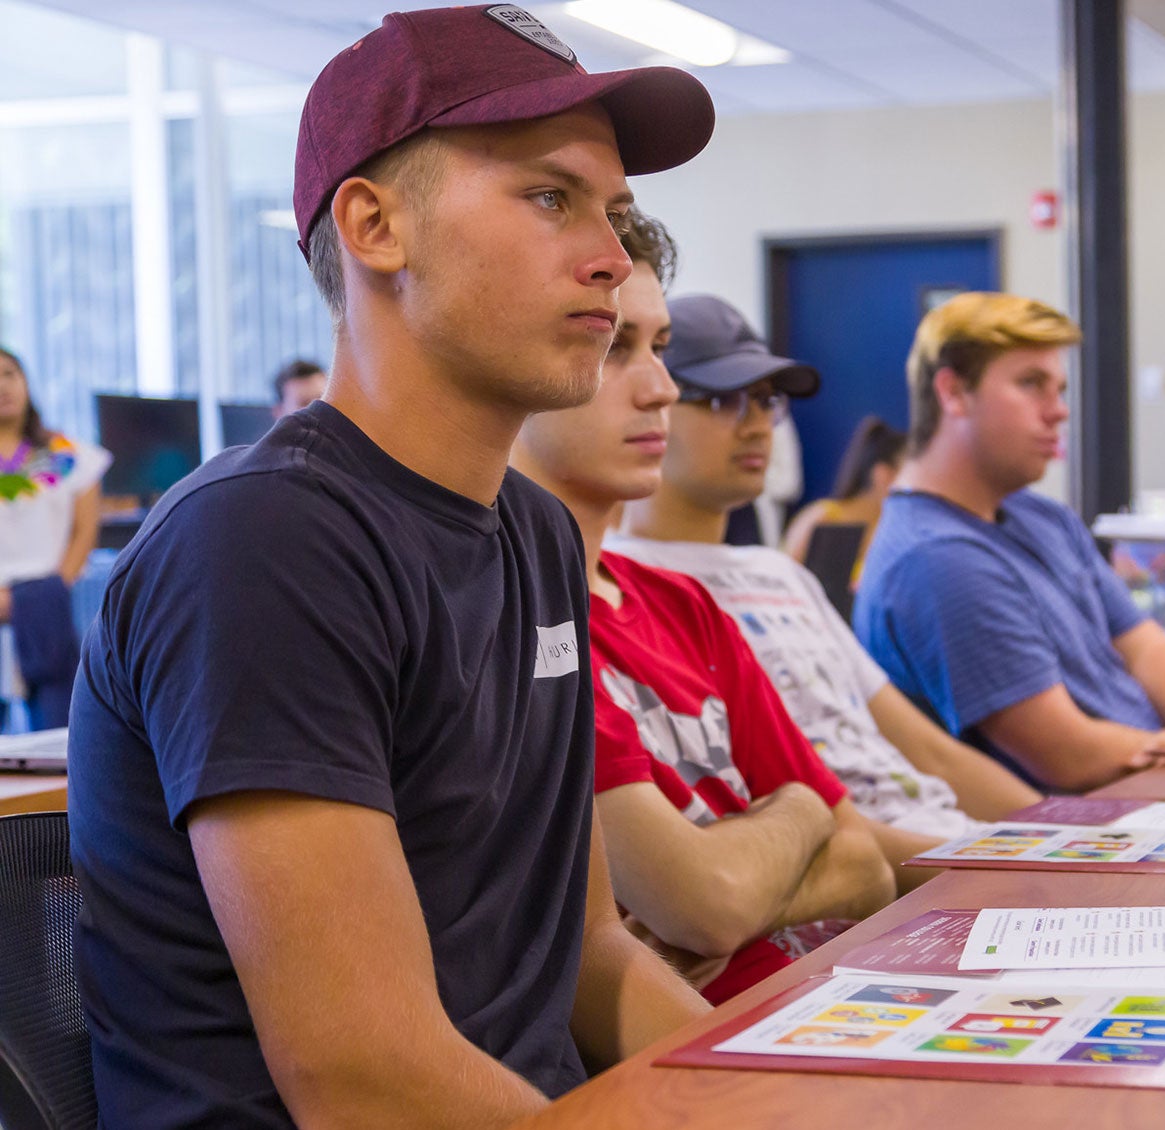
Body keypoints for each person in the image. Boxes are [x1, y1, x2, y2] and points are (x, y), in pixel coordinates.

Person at [66, 8, 717, 1125]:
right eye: (550, 197)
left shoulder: (535, 530)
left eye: (615, 212)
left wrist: (770, 1093)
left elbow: (587, 952)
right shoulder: (264, 542)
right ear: (374, 226)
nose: (615, 257)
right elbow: (364, 1077)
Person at [513, 216, 900, 1005]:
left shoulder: (682, 604)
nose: (659, 388)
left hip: (832, 998)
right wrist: (797, 822)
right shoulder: (512, 614)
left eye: (656, 349)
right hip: (730, 1040)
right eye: (615, 346)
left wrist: (765, 850)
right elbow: (703, 900)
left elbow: (866, 864)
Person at [614, 296, 1040, 839]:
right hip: (881, 873)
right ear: (654, 399)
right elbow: (771, 815)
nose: (757, 426)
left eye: (766, 401)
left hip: (940, 841)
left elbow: (933, 753)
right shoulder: (622, 583)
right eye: (722, 401)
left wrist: (1064, 833)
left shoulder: (783, 575)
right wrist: (974, 863)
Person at [853, 292, 1165, 792]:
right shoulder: (937, 559)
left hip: (1156, 783)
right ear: (954, 392)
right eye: (1031, 384)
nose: (1060, 412)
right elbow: (1072, 758)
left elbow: (1150, 648)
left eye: (1060, 389)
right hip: (1085, 834)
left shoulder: (1042, 516)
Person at [0, 346, 109, 730]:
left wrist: (48, 592)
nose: (3, 386)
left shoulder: (68, 454)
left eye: (10, 373)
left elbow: (84, 531)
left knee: (57, 732)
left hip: (48, 602)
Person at [781, 415, 906, 584]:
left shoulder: (889, 533)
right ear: (882, 475)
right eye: (906, 474)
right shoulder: (823, 517)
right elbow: (784, 577)